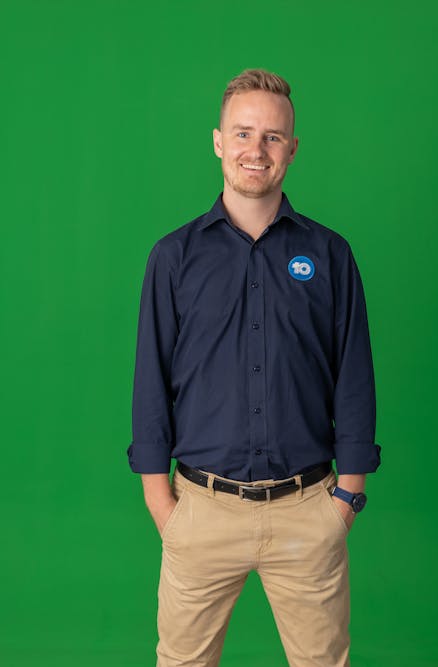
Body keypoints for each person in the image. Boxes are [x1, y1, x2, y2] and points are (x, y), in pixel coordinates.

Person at [127, 68, 382, 667]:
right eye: (243, 133)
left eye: (272, 137)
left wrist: (348, 497)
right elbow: (150, 381)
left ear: (292, 148)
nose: (256, 150)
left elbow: (354, 377)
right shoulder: (174, 257)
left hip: (308, 511)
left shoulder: (330, 255)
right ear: (218, 140)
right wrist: (162, 505)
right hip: (201, 510)